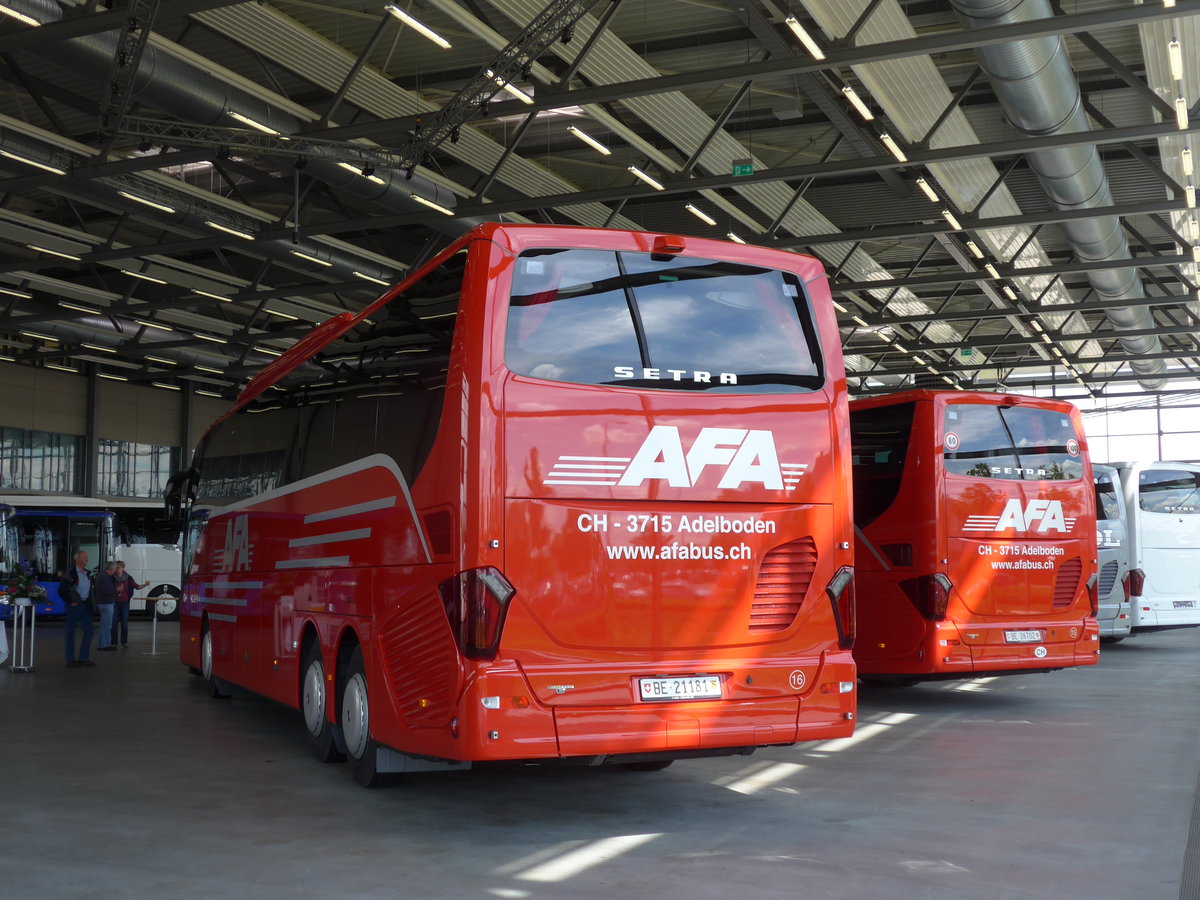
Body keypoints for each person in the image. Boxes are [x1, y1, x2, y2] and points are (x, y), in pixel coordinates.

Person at [59, 550, 96, 668]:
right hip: (74, 607)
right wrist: (70, 602)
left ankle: (83, 658)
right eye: (85, 557)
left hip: (85, 606)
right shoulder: (70, 573)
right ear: (77, 559)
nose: (87, 559)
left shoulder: (87, 574)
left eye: (87, 557)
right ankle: (70, 660)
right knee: (70, 633)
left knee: (89, 631)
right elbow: (61, 591)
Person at [111, 561, 146, 649]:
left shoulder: (128, 578)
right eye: (115, 567)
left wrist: (145, 585)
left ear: (123, 568)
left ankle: (124, 642)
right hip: (114, 602)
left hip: (125, 603)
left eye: (118, 567)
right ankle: (113, 642)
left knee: (124, 623)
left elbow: (136, 587)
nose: (116, 569)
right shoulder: (111, 578)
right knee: (114, 623)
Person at [94, 561, 117, 651]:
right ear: (112, 569)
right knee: (107, 625)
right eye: (115, 568)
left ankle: (101, 644)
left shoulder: (100, 576)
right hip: (107, 603)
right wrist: (117, 589)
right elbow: (108, 590)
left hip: (101, 602)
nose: (115, 570)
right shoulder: (106, 577)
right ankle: (105, 644)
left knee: (104, 625)